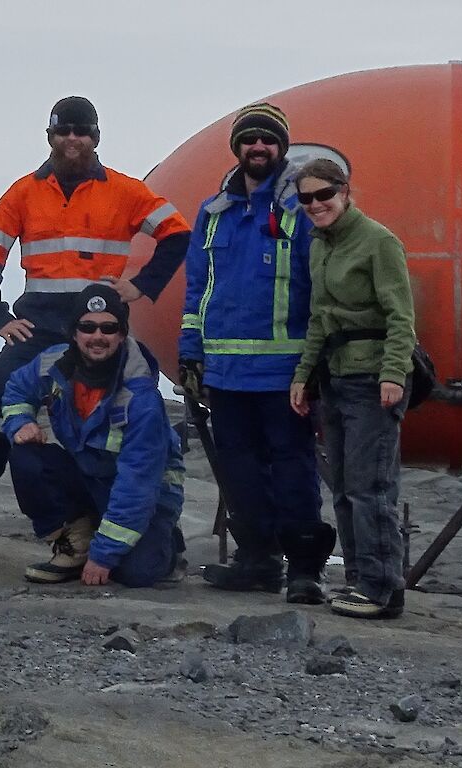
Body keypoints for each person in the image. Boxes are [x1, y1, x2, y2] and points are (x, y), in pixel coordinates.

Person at [0, 96, 191, 554]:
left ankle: (140, 528)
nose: (72, 140)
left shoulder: (127, 191)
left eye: (81, 131)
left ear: (96, 137)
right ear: (50, 136)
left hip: (100, 330)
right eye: (63, 131)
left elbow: (178, 234)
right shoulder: (22, 192)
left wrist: (141, 286)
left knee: (121, 421)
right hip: (37, 325)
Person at [178, 103, 330, 603]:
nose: (257, 147)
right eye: (249, 139)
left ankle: (305, 569)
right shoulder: (214, 213)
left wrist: (313, 365)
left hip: (285, 373)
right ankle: (256, 560)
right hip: (225, 373)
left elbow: (318, 287)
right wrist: (190, 352)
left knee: (294, 468)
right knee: (238, 471)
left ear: (281, 147)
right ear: (237, 148)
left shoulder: (299, 209)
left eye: (267, 139)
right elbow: (199, 286)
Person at [287, 159, 416, 619]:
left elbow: (401, 316)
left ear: (345, 191)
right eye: (306, 199)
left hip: (371, 377)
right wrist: (303, 376)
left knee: (371, 487)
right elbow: (320, 318)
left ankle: (382, 588)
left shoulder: (379, 242)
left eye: (324, 195)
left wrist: (393, 374)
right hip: (335, 377)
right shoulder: (320, 246)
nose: (316, 205)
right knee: (343, 488)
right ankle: (361, 581)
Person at [1, 285, 185, 586]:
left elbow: (137, 483)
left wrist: (104, 556)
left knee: (134, 574)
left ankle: (165, 542)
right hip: (89, 478)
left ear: (122, 334)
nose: (97, 336)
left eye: (108, 328)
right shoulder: (53, 362)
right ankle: (76, 542)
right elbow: (17, 390)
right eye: (87, 327)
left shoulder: (141, 398)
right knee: (25, 454)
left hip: (147, 495)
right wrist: (20, 422)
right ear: (73, 332)